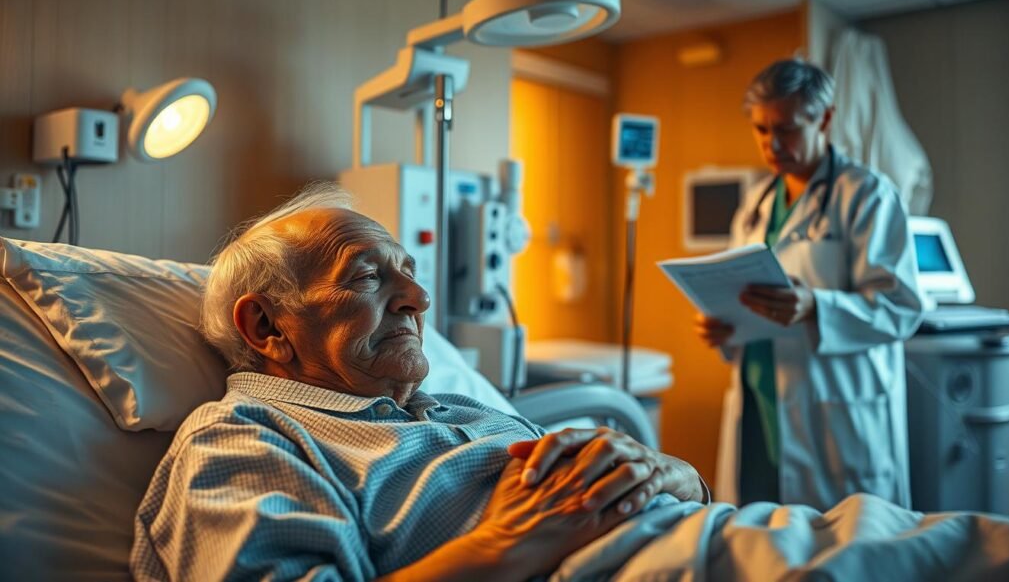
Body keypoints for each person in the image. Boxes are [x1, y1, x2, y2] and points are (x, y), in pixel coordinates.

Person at [130, 184, 708, 582]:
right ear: (266, 326)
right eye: (366, 276)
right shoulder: (247, 440)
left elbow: (673, 490)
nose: (419, 300)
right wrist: (505, 544)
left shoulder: (461, 411)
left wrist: (673, 473)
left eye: (408, 274)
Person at [695, 59, 924, 510]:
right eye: (761, 130)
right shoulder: (756, 205)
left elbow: (902, 307)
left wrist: (817, 306)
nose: (771, 144)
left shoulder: (866, 195)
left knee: (843, 548)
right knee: (760, 543)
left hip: (835, 416)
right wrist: (722, 329)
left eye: (786, 128)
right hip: (760, 405)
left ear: (825, 118)